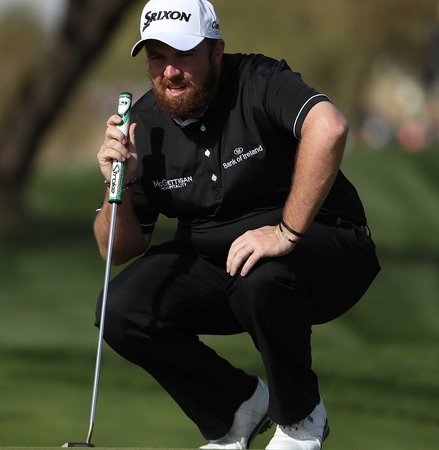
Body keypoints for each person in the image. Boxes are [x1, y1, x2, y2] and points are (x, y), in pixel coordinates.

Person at [93, 1, 380, 449]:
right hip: (223, 262)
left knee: (260, 274)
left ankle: (301, 418)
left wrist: (284, 233)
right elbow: (119, 248)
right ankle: (236, 411)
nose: (169, 72)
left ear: (216, 51)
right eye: (157, 57)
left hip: (327, 244)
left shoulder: (259, 80)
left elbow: (330, 128)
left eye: (183, 55)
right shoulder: (144, 125)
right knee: (121, 306)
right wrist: (123, 184)